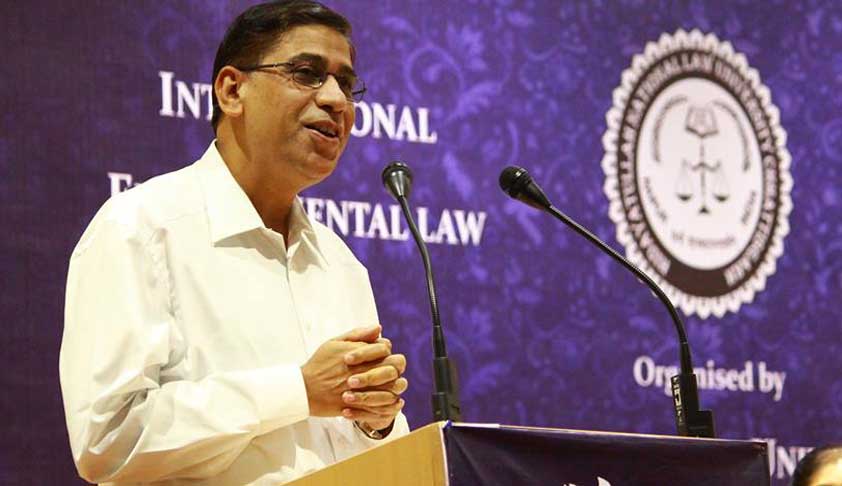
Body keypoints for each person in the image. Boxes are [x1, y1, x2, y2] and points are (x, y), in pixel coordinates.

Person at [59, 1, 409, 484]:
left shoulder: (340, 263)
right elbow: (107, 440)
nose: (335, 99)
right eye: (307, 73)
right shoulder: (141, 227)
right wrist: (297, 390)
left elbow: (353, 446)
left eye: (346, 84)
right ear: (231, 90)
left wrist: (376, 423)